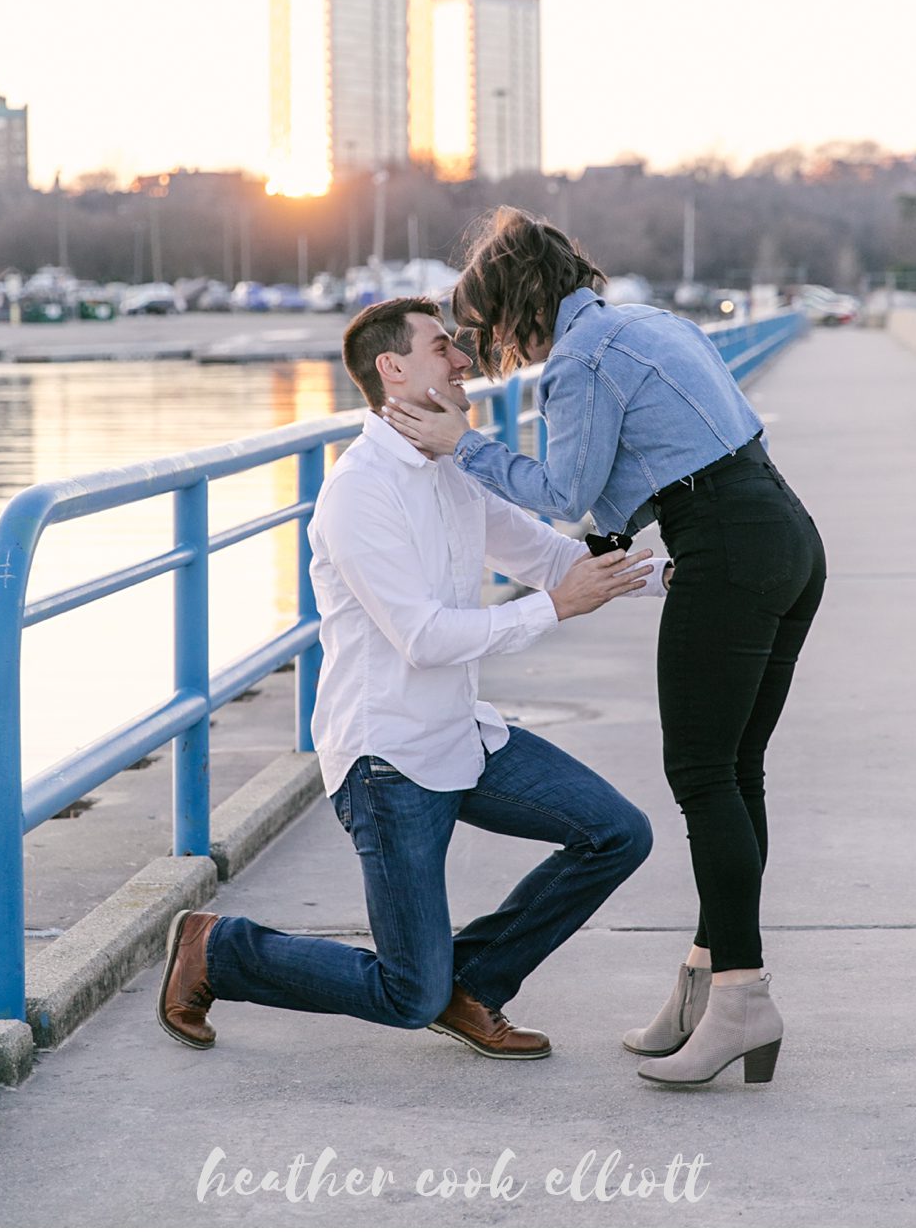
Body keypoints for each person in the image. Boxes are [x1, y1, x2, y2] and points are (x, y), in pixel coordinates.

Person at [382, 207, 825, 1087]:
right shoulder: (652, 323)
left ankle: (743, 997)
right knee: (735, 773)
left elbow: (564, 494)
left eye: (488, 326)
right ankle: (707, 979)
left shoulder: (580, 364)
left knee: (704, 778)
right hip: (787, 533)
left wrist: (463, 445)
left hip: (728, 547)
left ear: (516, 306)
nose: (488, 346)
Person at [157, 297, 662, 1060]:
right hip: (387, 759)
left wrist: (679, 576)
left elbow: (548, 557)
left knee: (616, 834)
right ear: (392, 369)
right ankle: (218, 951)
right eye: (442, 348)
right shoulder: (360, 492)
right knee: (406, 994)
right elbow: (423, 638)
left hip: (461, 733)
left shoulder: (451, 470)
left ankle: (476, 983)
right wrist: (553, 611)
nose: (464, 362)